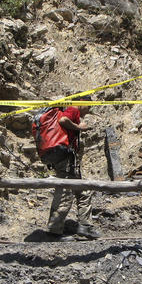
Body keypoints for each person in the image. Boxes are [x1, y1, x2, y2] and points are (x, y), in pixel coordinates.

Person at [40, 96, 100, 239]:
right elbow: (62, 120)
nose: (88, 111)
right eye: (88, 107)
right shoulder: (73, 108)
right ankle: (54, 231)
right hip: (65, 157)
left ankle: (85, 226)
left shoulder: (72, 110)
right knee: (65, 191)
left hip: (67, 158)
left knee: (83, 191)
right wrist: (79, 127)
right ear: (83, 103)